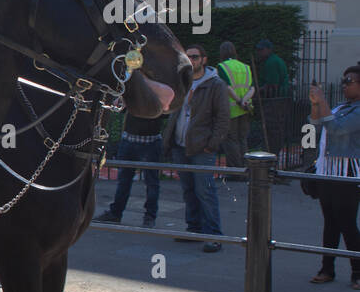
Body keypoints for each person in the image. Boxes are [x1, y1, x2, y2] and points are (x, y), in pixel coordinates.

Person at [162, 44, 230, 252]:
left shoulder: (215, 85)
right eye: (188, 56)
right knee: (188, 190)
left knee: (205, 191)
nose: (191, 60)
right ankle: (194, 229)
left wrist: (212, 144)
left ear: (204, 59)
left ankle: (214, 235)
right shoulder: (183, 81)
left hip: (202, 147)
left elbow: (223, 117)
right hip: (180, 144)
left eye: (195, 56)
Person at [307, 63, 360, 288]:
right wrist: (315, 103)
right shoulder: (341, 106)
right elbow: (316, 122)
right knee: (330, 222)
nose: (344, 85)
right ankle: (327, 268)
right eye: (343, 81)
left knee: (347, 223)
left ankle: (358, 272)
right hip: (327, 171)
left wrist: (323, 101)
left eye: (349, 81)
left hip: (346, 173)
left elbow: (337, 128)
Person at [94, 112, 165, 226]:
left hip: (149, 140)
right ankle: (116, 213)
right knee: (124, 181)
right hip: (131, 139)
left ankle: (149, 216)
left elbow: (166, 112)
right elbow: (121, 107)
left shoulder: (157, 95)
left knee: (151, 182)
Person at [215, 40, 253, 170]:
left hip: (231, 109)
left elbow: (227, 88)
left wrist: (238, 101)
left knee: (231, 140)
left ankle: (235, 170)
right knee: (243, 139)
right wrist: (244, 101)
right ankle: (246, 167)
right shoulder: (245, 67)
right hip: (246, 108)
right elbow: (252, 88)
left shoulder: (222, 67)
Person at [254, 37, 289, 157]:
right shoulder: (274, 60)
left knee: (272, 128)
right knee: (276, 129)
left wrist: (257, 90)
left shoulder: (271, 62)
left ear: (268, 50)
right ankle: (273, 151)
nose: (258, 52)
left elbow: (272, 85)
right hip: (280, 100)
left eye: (261, 50)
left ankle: (271, 152)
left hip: (275, 101)